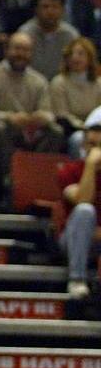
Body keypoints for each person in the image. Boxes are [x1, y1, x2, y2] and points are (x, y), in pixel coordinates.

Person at [0, 33, 63, 193]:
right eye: (17, 49)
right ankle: (13, 181)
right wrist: (10, 117)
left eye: (26, 50)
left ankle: (37, 178)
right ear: (7, 50)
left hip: (29, 133)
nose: (21, 54)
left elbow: (49, 113)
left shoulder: (39, 81)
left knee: (55, 132)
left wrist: (40, 118)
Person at [57, 112, 101, 299]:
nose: (96, 151)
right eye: (91, 145)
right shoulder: (68, 171)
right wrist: (91, 165)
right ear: (82, 145)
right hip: (74, 240)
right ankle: (77, 280)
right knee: (84, 210)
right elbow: (83, 199)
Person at [19, 0, 81, 81]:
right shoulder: (25, 33)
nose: (50, 11)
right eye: (45, 7)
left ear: (63, 10)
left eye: (55, 7)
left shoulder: (71, 35)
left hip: (61, 86)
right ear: (36, 9)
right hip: (30, 86)